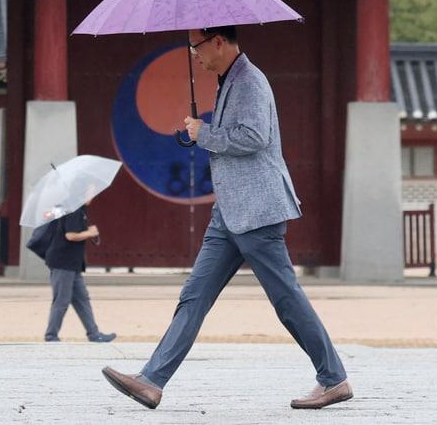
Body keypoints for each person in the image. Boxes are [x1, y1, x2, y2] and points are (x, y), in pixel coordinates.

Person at [103, 25, 351, 411]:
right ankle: (152, 381)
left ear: (218, 41)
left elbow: (254, 137)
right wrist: (203, 132)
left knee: (286, 299)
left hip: (257, 210)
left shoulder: (250, 81)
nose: (194, 54)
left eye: (196, 46)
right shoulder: (228, 80)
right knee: (194, 295)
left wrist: (204, 133)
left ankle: (333, 378)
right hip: (230, 211)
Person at [44, 202, 117, 343]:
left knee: (82, 299)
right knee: (62, 300)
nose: (92, 195)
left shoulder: (79, 210)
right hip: (63, 262)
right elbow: (70, 235)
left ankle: (94, 334)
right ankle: (51, 335)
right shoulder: (74, 210)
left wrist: (87, 231)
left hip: (73, 263)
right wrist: (90, 233)